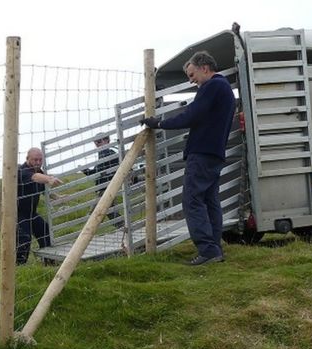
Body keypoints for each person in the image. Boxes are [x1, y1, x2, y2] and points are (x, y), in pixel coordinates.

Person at [140, 50, 236, 265]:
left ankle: (207, 250)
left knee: (192, 200)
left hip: (202, 153)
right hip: (214, 152)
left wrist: (159, 123)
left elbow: (192, 114)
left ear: (204, 68)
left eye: (192, 75)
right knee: (209, 201)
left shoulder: (212, 86)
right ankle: (215, 249)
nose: (191, 80)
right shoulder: (224, 88)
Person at [16, 147, 62, 265]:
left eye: (40, 160)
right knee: (24, 239)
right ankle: (19, 266)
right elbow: (35, 177)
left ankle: (49, 262)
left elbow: (44, 189)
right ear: (27, 159)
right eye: (35, 160)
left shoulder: (39, 171)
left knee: (45, 231)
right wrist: (49, 178)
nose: (38, 162)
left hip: (32, 213)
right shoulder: (21, 172)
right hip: (18, 214)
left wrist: (58, 197)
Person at [81, 132, 119, 198]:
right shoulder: (107, 153)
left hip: (105, 189)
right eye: (96, 142)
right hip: (107, 188)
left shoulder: (107, 153)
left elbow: (97, 171)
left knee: (99, 208)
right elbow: (100, 170)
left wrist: (86, 171)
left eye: (98, 142)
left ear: (107, 141)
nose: (97, 144)